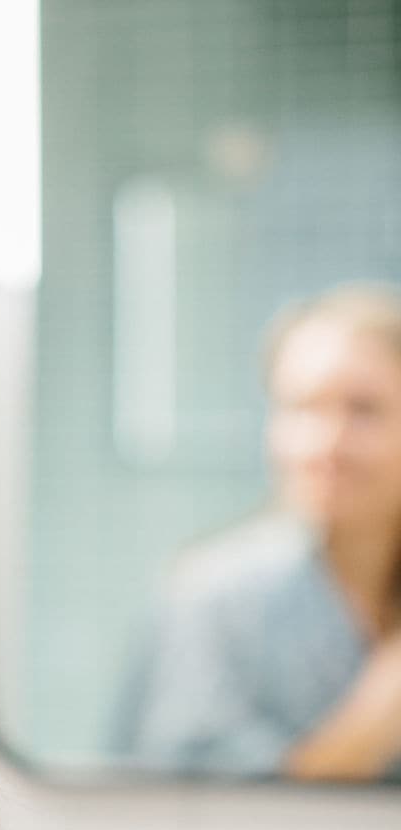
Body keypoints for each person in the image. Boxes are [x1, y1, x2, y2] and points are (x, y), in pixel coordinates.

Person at [112, 283, 401, 782]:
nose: (326, 441)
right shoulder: (211, 597)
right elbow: (179, 815)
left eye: (364, 410)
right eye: (302, 407)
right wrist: (371, 724)